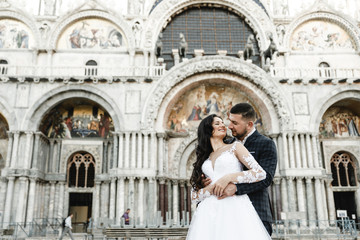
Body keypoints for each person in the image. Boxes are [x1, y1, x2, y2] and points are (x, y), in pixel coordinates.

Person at [186, 114, 270, 239]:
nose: (223, 125)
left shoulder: (235, 147)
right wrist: (209, 189)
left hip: (234, 207)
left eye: (222, 123)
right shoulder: (204, 158)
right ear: (207, 128)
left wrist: (229, 177)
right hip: (208, 213)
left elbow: (260, 173)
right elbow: (194, 196)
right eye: (217, 123)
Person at [205, 103, 278, 235]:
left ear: (249, 124)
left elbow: (266, 177)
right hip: (227, 212)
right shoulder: (226, 144)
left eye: (234, 122)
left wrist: (237, 188)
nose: (229, 126)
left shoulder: (266, 143)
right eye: (229, 121)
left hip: (257, 208)